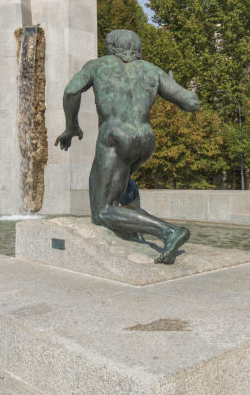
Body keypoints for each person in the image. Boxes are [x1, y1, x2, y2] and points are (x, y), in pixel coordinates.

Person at [55, 29, 200, 264]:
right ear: (138, 48)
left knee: (102, 211)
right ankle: (136, 233)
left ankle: (169, 232)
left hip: (116, 138)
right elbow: (192, 103)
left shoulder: (97, 66)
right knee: (124, 185)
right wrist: (172, 84)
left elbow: (71, 90)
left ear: (111, 47)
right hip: (146, 140)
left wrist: (71, 127)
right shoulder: (152, 70)